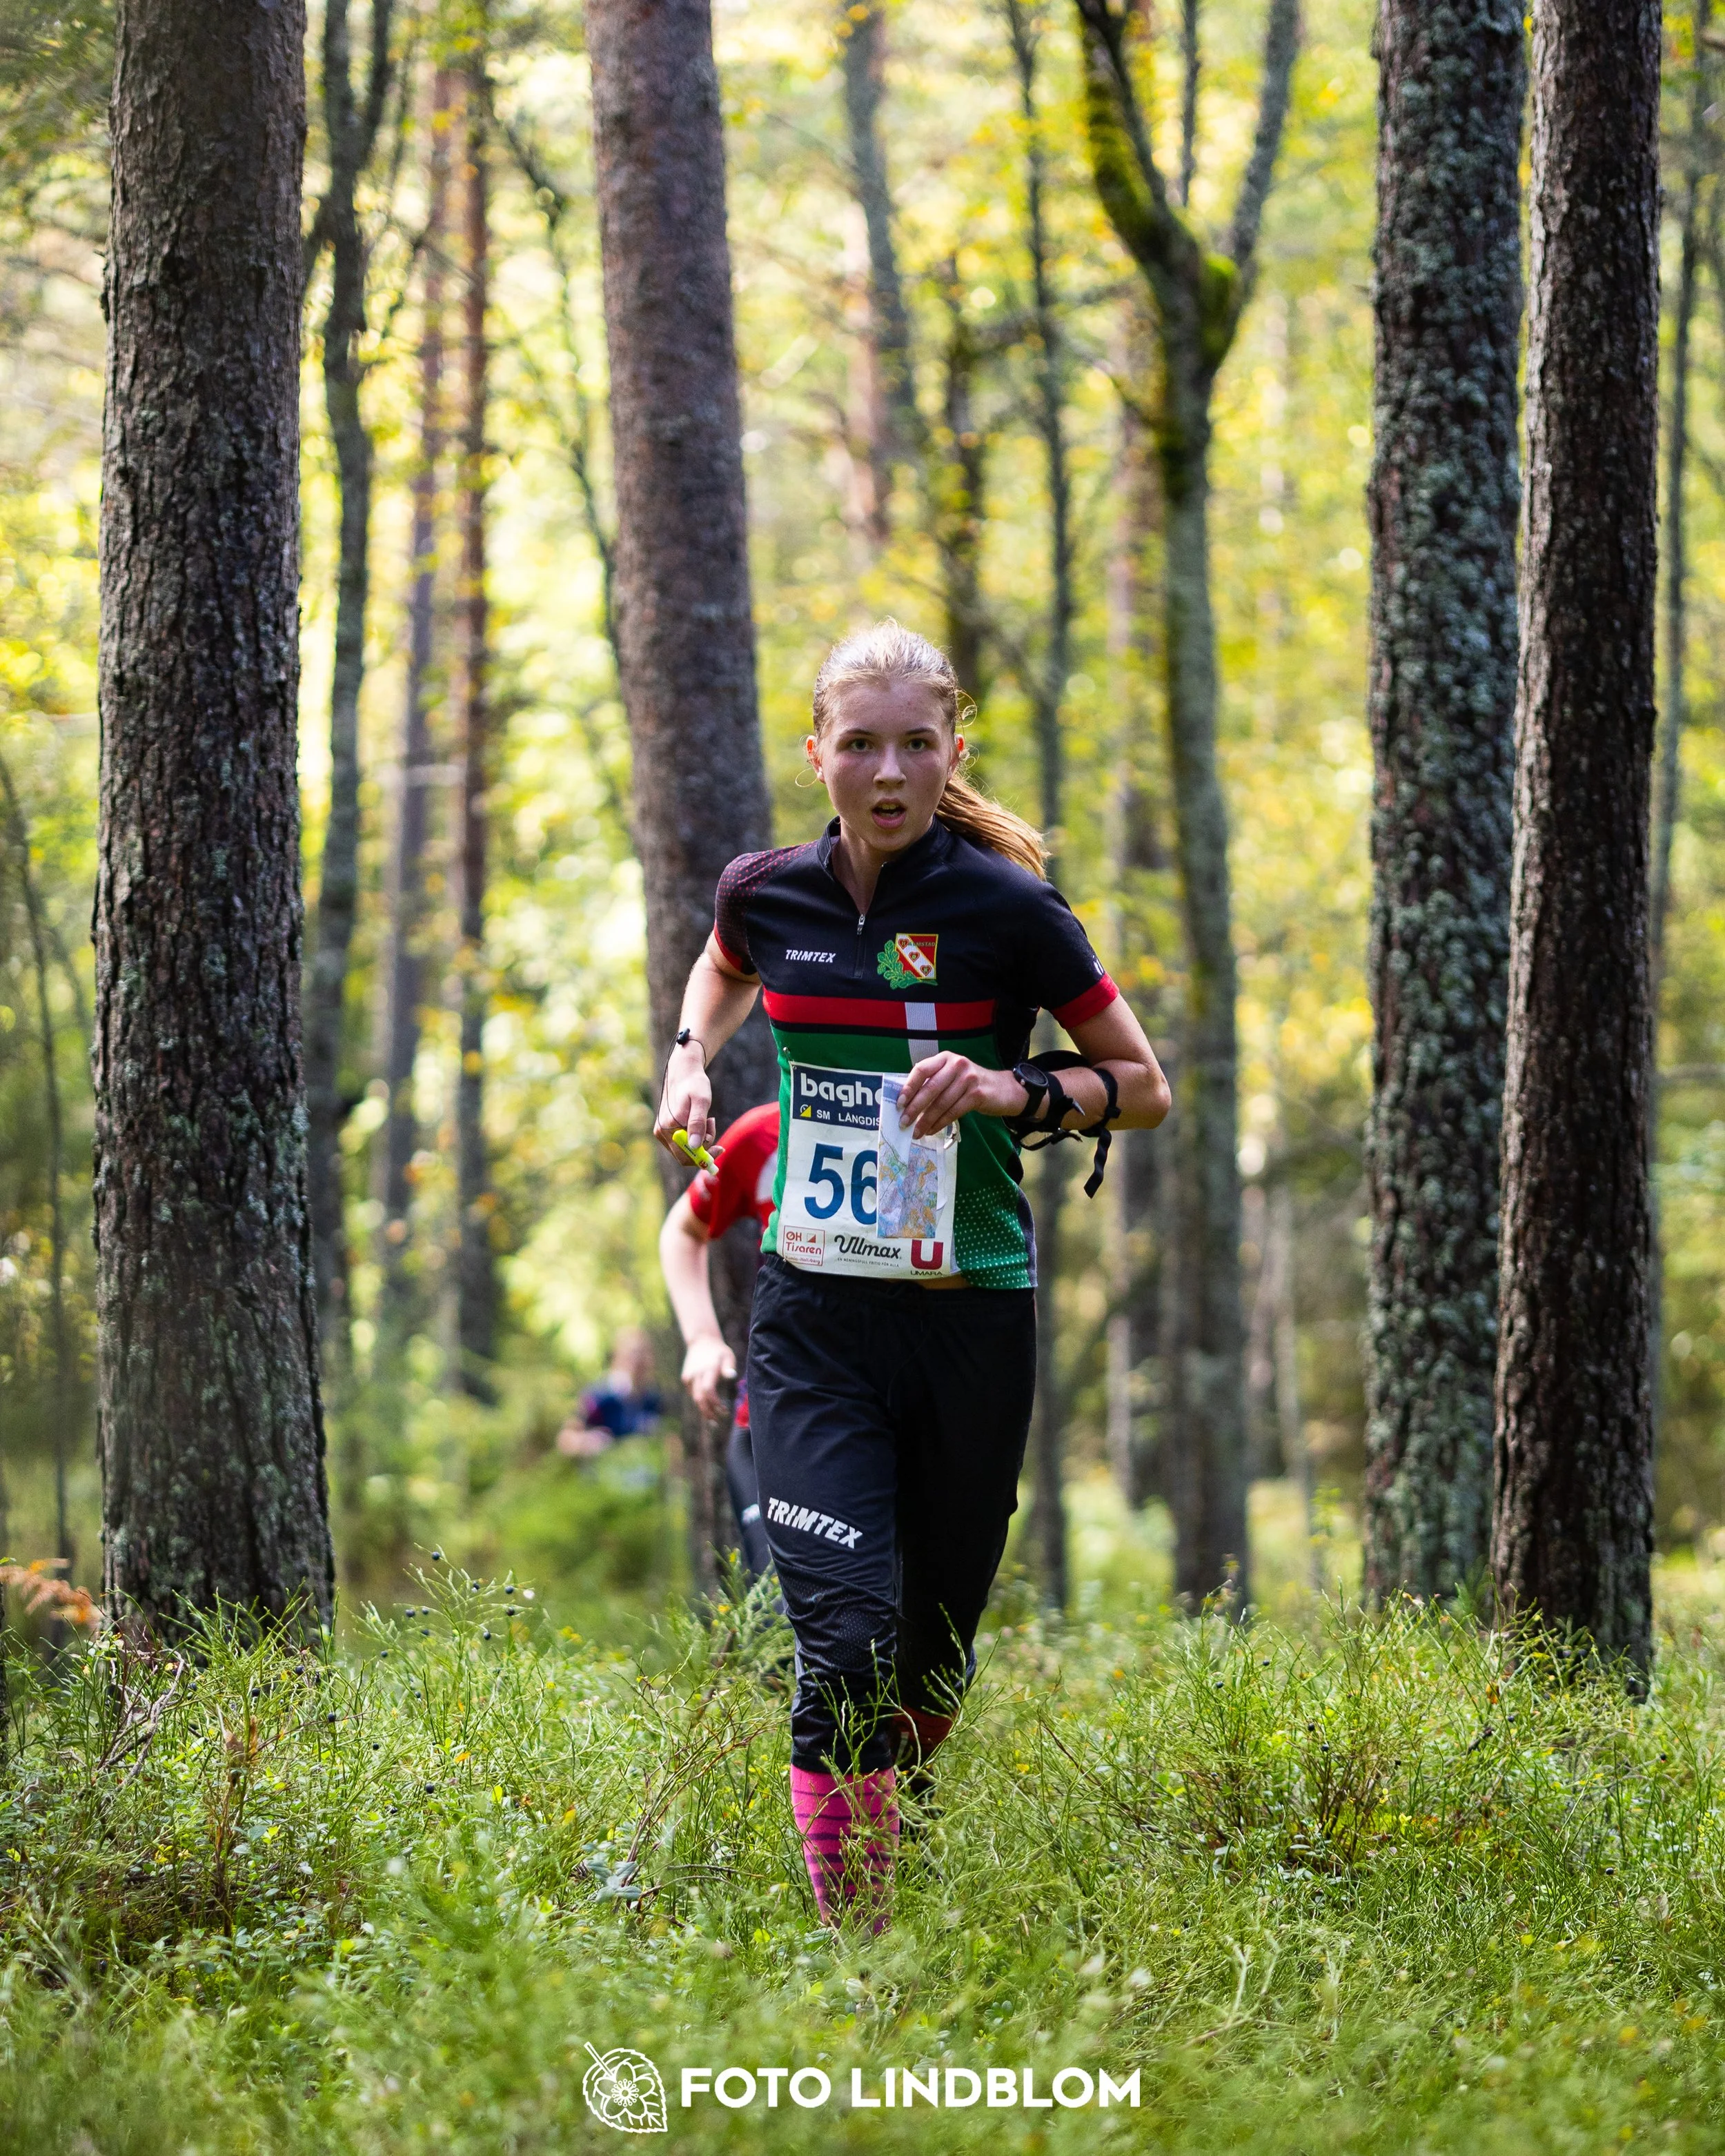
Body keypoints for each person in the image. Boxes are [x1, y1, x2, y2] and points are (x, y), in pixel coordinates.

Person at [655, 620, 1170, 1929]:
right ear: (816, 753)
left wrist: (1004, 1088)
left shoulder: (1010, 911)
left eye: (917, 745)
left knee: (931, 1661)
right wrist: (688, 1057)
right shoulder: (766, 893)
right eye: (861, 745)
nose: (889, 773)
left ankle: (897, 1823)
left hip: (969, 1317)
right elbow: (721, 965)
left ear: (952, 753)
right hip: (814, 1320)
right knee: (844, 1646)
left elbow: (1143, 1088)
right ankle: (865, 1960)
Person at [658, 1098, 780, 1583]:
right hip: (771, 1423)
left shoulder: (943, 1117)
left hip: (904, 1416)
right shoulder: (764, 1133)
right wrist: (703, 1338)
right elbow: (683, 1230)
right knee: (787, 1609)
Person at [557, 1326, 662, 1458]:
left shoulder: (653, 1399)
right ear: (618, 1356)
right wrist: (588, 1441)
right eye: (633, 1354)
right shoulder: (599, 1396)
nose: (638, 1362)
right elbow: (565, 1440)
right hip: (603, 1468)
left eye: (643, 1355)